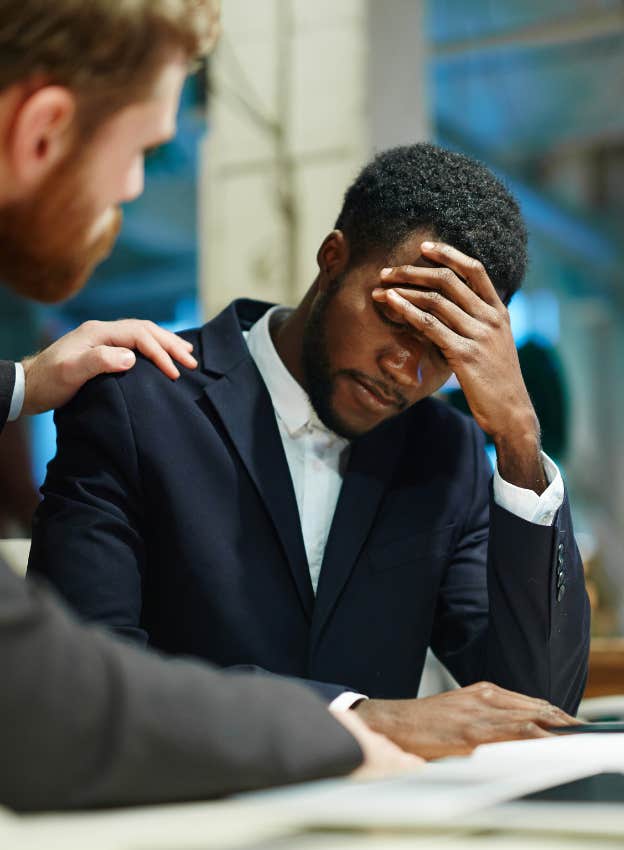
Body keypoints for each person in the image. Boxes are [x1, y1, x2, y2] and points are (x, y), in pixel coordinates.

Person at [30, 143, 592, 760]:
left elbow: (539, 701)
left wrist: (519, 440)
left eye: (444, 350)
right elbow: (78, 677)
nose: (406, 368)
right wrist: (361, 720)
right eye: (396, 318)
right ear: (333, 259)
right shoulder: (139, 403)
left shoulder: (446, 452)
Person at [0, 0, 418, 814]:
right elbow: (44, 705)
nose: (132, 190)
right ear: (42, 131)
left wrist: (21, 384)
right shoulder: (135, 412)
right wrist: (341, 734)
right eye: (148, 151)